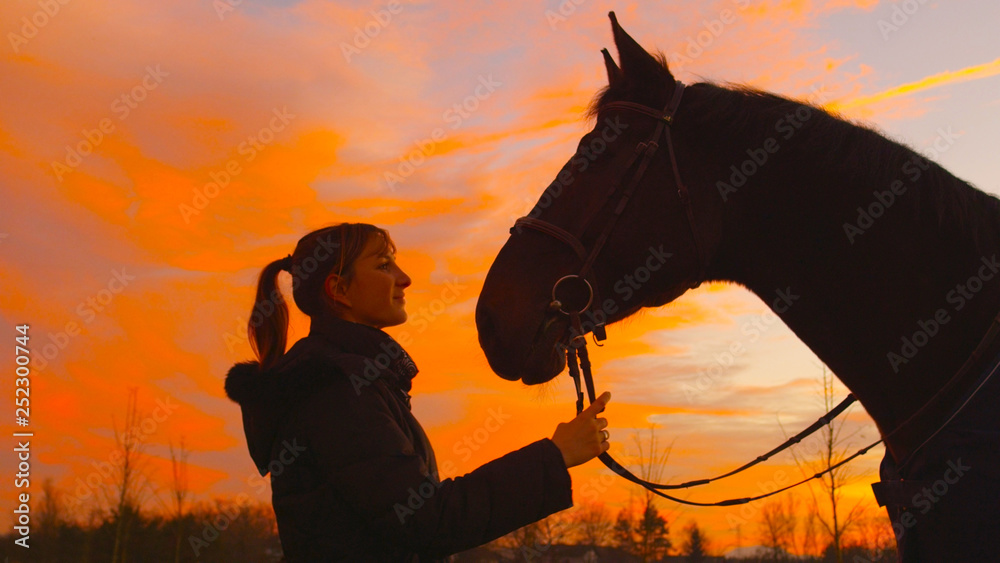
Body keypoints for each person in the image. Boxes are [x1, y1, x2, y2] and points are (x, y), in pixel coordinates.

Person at [225, 223, 612, 561]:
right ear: (339, 289)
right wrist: (555, 457)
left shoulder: (348, 380)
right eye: (383, 265)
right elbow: (428, 521)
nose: (404, 277)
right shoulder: (335, 392)